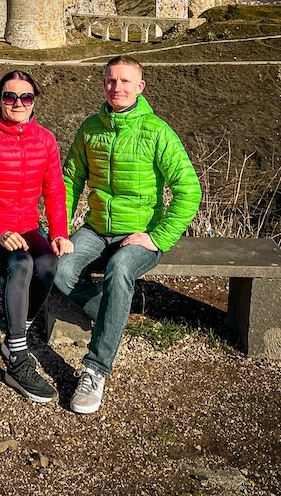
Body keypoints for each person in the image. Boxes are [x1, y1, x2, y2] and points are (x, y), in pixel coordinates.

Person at [55, 56, 201, 414]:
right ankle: (113, 317)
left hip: (141, 234)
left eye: (124, 81)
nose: (116, 87)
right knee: (58, 269)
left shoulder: (156, 131)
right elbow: (70, 181)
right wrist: (59, 230)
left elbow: (189, 190)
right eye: (110, 81)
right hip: (96, 228)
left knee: (121, 269)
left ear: (140, 87)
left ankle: (95, 370)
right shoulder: (90, 128)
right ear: (103, 84)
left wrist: (158, 237)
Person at [0, 70, 74, 403]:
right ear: (0, 101)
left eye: (26, 97)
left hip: (26, 227)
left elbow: (54, 191)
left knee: (48, 263)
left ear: (34, 101)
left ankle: (15, 335)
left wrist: (59, 233)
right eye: (10, 97)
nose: (18, 103)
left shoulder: (46, 140)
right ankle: (17, 359)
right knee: (21, 264)